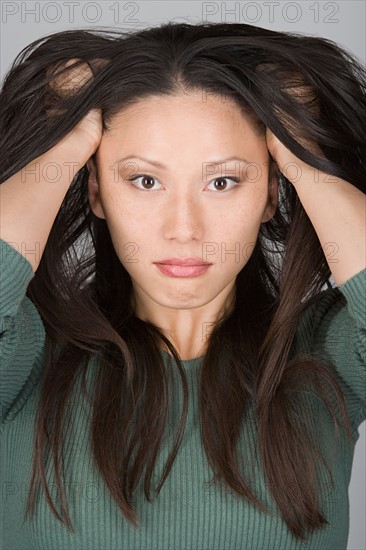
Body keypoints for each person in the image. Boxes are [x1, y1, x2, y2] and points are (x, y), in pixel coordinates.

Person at [0, 21, 365, 550]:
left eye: (223, 181)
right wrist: (67, 138)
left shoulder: (327, 355)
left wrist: (300, 149)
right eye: (145, 180)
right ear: (96, 190)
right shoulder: (26, 355)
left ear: (270, 194)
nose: (184, 228)